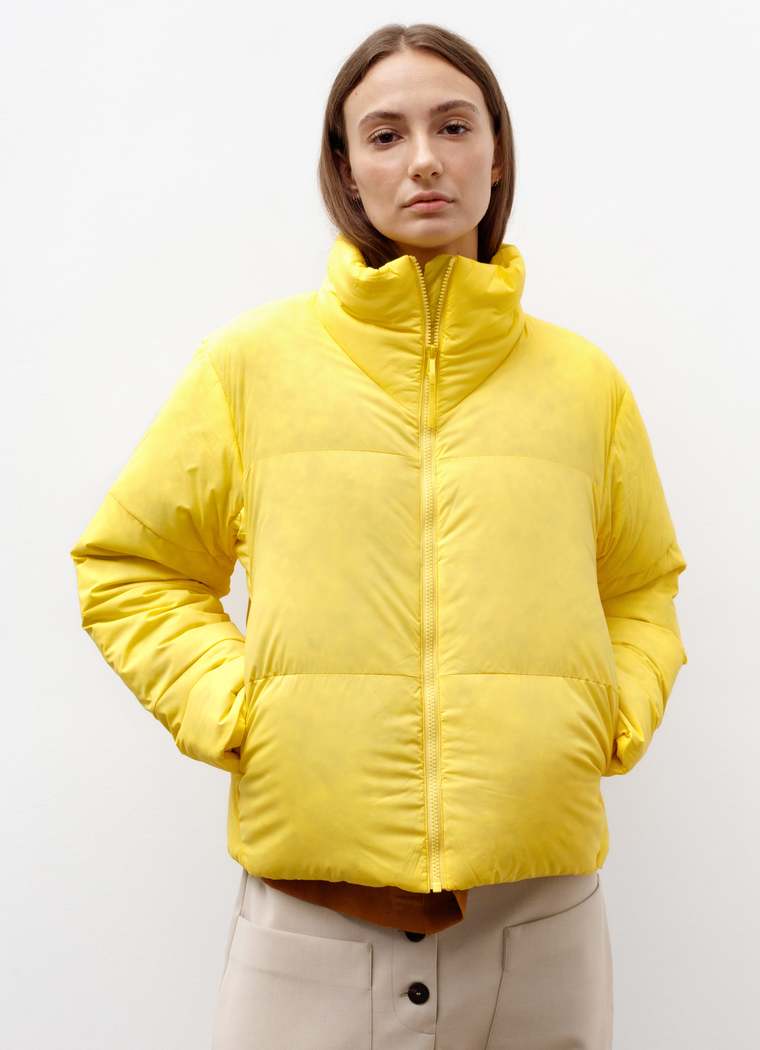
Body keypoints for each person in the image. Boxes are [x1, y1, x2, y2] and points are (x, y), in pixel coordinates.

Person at [69, 22, 688, 1050]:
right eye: (386, 134)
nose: (425, 160)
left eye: (454, 126)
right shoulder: (249, 365)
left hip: (539, 917)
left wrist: (610, 714)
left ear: (496, 154)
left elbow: (639, 586)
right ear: (348, 170)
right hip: (311, 917)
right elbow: (131, 565)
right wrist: (241, 708)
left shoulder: (584, 384)